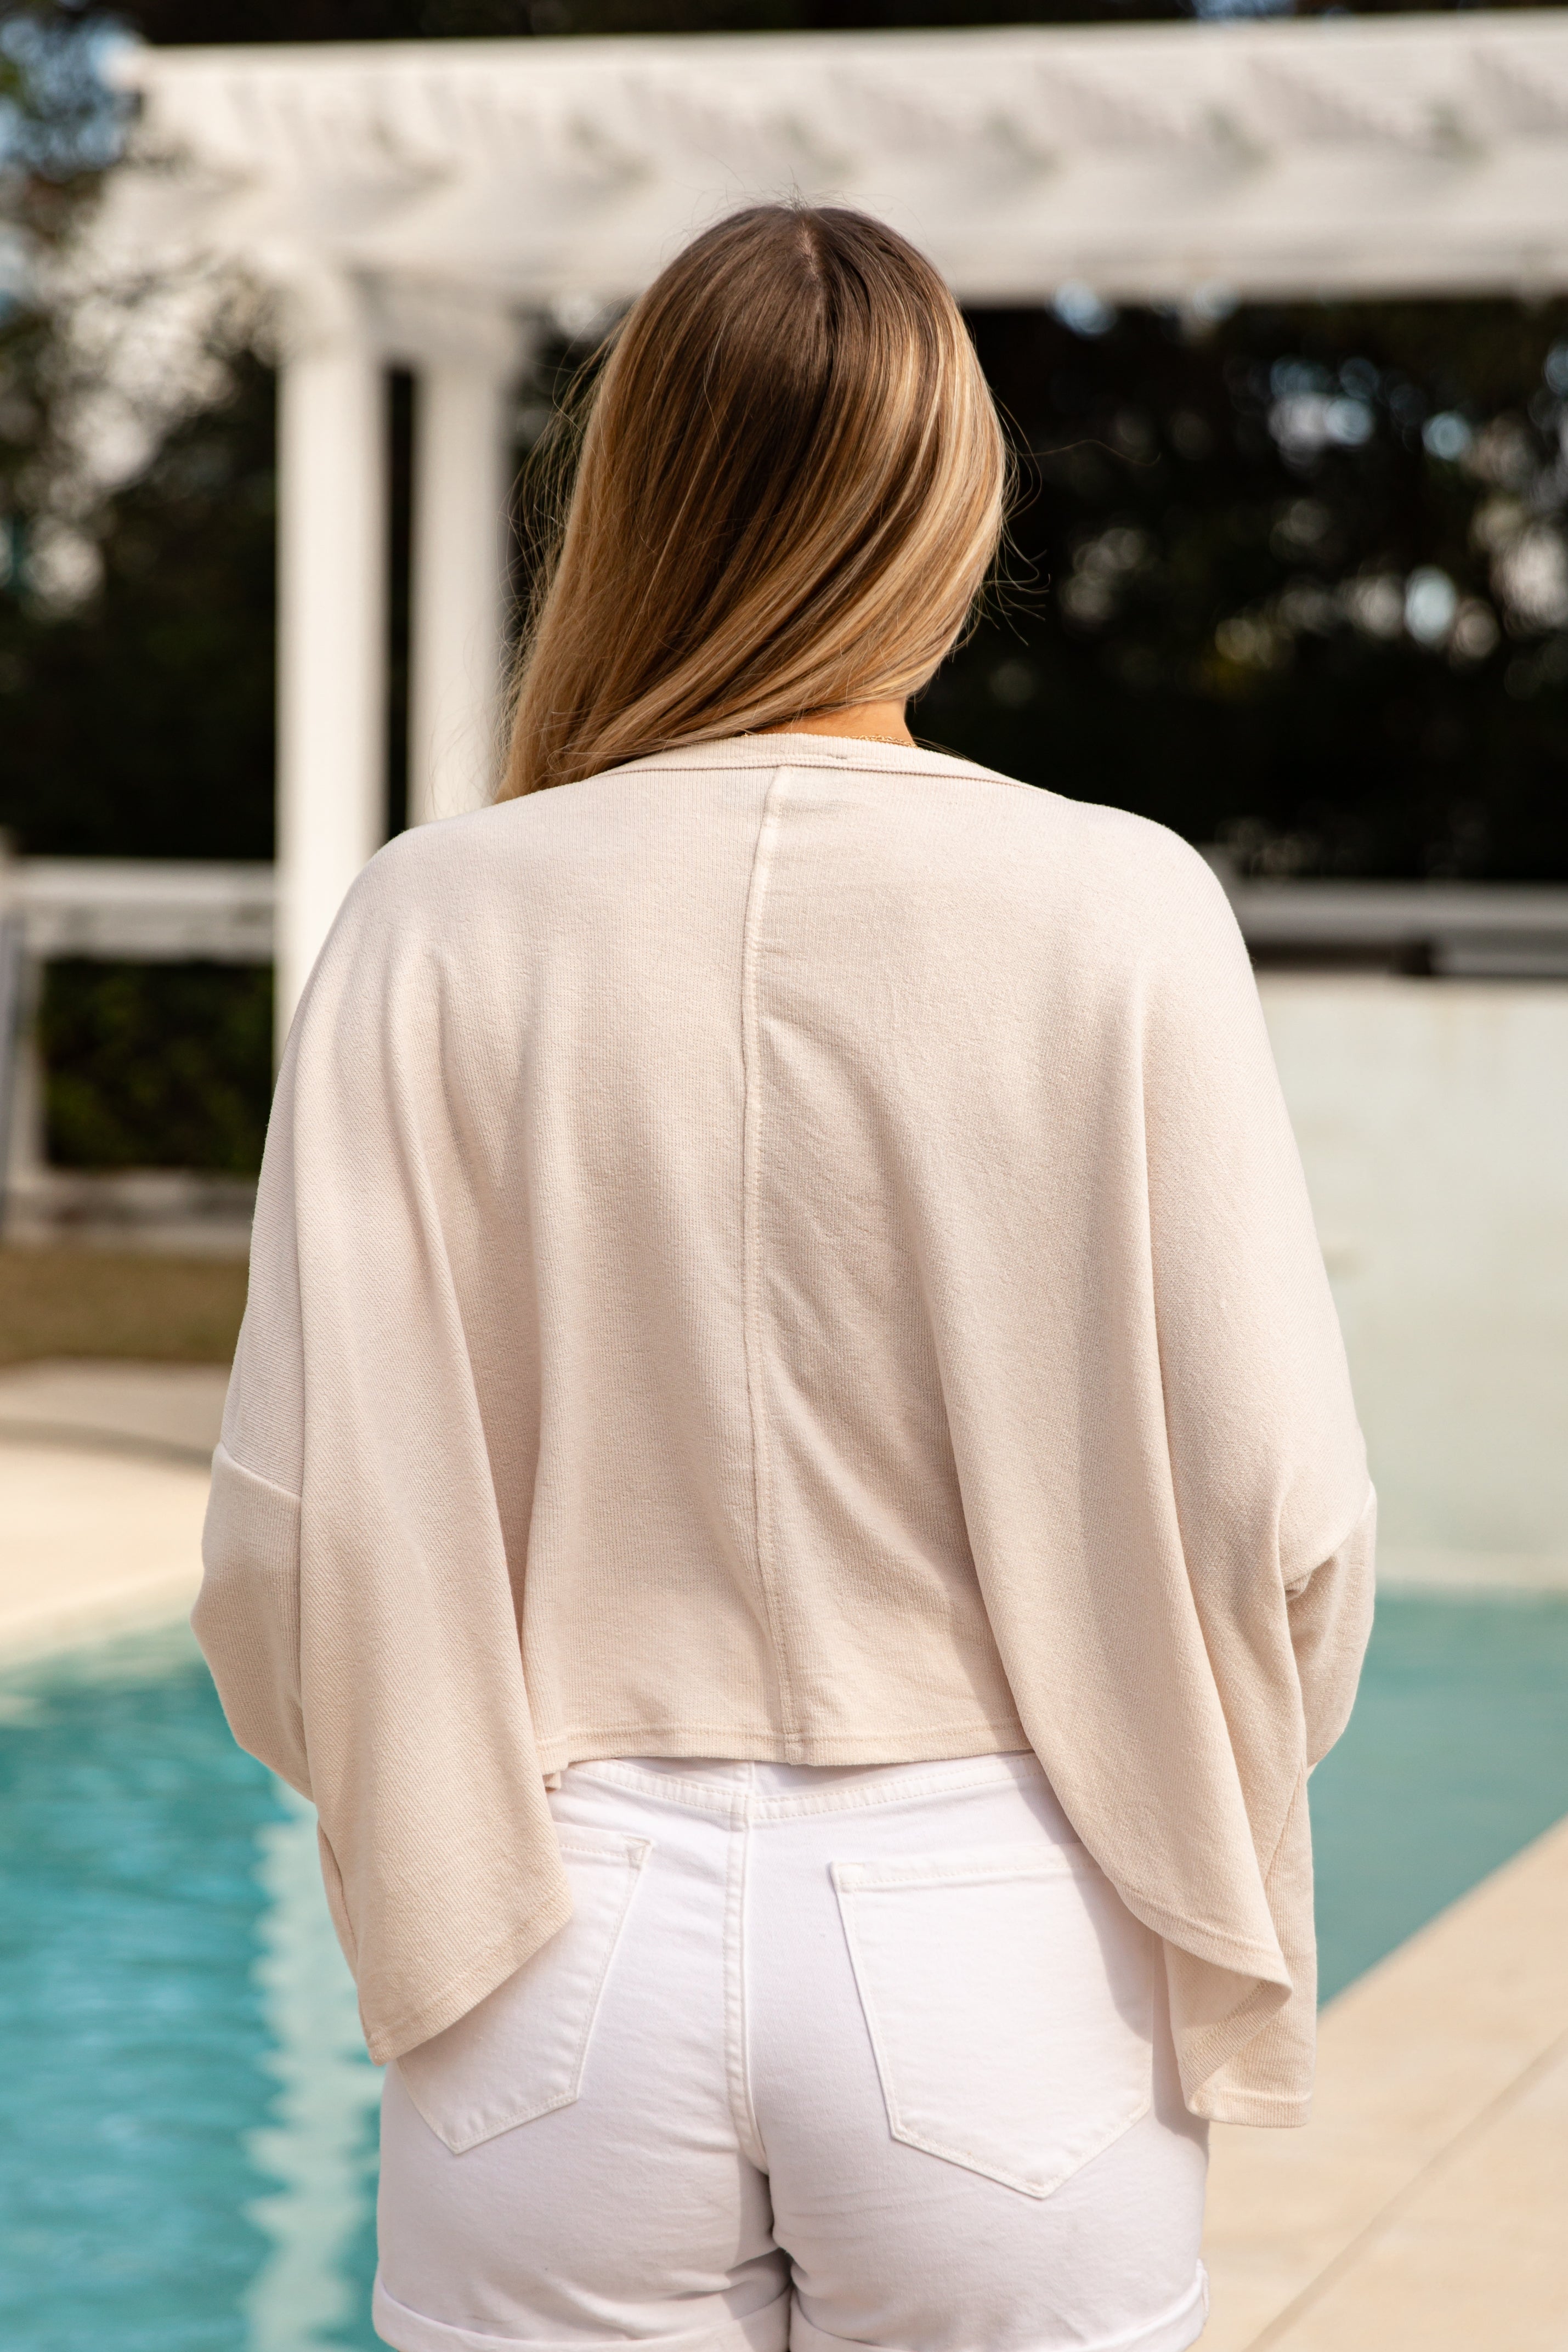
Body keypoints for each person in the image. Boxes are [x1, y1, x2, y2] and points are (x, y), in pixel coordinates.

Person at [195, 204, 1375, 2352]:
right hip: (1010, 1923)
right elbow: (1281, 1527)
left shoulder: (427, 922)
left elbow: (291, 1553)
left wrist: (439, 1827)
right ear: (948, 509)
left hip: (536, 1940)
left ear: (631, 503)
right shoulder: (1121, 912)